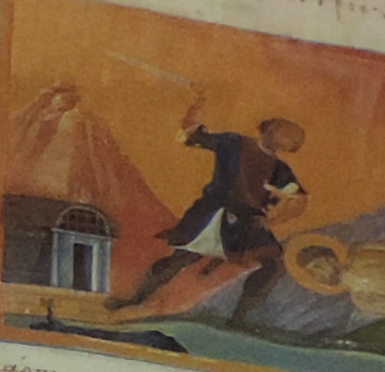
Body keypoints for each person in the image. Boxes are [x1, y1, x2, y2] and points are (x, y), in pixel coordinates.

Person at [122, 108, 307, 309]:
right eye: (284, 133)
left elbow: (299, 198)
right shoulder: (233, 143)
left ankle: (241, 318)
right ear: (270, 128)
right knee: (182, 257)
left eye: (292, 140)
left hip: (247, 223)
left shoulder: (280, 169)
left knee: (273, 266)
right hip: (213, 212)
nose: (286, 140)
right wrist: (193, 117)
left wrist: (274, 220)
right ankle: (136, 299)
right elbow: (195, 137)